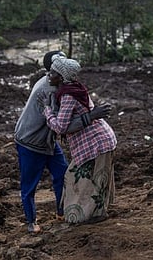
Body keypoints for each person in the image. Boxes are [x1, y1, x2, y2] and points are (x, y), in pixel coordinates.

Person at [14, 50, 111, 233]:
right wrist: (91, 116)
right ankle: (31, 221)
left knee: (62, 175)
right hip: (31, 141)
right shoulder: (51, 90)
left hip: (48, 141)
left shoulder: (60, 86)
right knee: (29, 184)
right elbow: (63, 126)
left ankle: (61, 212)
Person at [38, 56, 117, 224]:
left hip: (95, 143)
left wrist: (47, 110)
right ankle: (94, 214)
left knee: (78, 179)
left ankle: (86, 216)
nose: (49, 75)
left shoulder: (68, 96)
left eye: (52, 73)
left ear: (61, 77)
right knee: (94, 179)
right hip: (100, 140)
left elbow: (61, 127)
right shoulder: (76, 89)